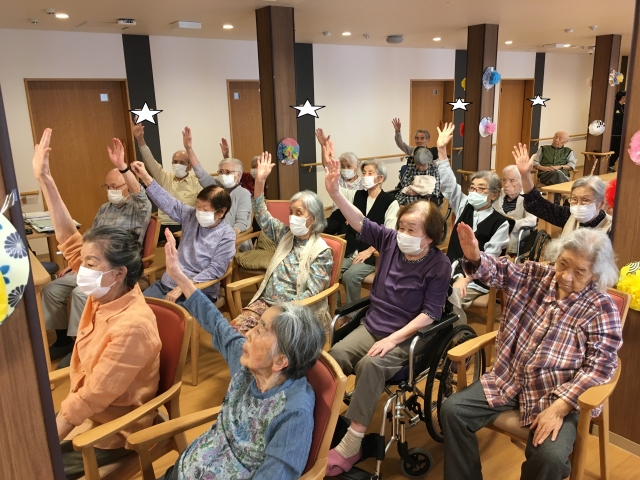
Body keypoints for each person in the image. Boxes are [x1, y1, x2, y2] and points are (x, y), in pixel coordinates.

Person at [440, 224, 622, 480]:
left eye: (580, 271)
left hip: (557, 395)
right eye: (562, 264)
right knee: (453, 411)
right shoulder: (536, 275)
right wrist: (475, 258)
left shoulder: (602, 308)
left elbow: (601, 367)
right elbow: (500, 272)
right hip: (509, 379)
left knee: (551, 458)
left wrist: (559, 407)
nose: (566, 276)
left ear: (595, 274)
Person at [33, 128, 161, 479]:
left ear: (119, 273)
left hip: (113, 430)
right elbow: (69, 241)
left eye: (90, 264)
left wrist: (45, 445)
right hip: (86, 411)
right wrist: (45, 179)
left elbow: (90, 398)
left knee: (31, 463)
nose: (82, 268)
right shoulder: (107, 290)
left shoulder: (132, 325)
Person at [322, 139, 452, 476]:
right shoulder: (391, 240)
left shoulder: (438, 265)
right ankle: (324, 424)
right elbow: (360, 223)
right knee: (333, 358)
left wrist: (394, 339)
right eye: (402, 227)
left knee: (370, 365)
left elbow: (431, 314)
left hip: (408, 337)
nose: (403, 233)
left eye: (412, 230)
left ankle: (352, 444)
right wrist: (335, 194)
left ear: (430, 236)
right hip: (373, 324)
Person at [156, 230, 326, 480]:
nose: (248, 334)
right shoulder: (250, 367)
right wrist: (179, 276)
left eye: (261, 330)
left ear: (280, 361)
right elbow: (217, 325)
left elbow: (275, 476)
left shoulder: (292, 412)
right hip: (186, 468)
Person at [43, 137, 152, 368]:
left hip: (114, 267)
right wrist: (78, 261)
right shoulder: (104, 208)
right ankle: (63, 340)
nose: (111, 191)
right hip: (92, 262)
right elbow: (86, 240)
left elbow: (141, 196)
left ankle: (80, 345)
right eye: (108, 187)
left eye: (116, 187)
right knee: (52, 289)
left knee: (80, 294)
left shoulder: (138, 209)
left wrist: (123, 167)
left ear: (127, 186)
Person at [231, 152, 333, 334]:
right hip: (266, 302)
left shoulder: (321, 251)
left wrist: (279, 311)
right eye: (290, 212)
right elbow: (261, 214)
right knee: (233, 332)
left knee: (262, 341)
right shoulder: (285, 234)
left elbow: (312, 293)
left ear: (313, 218)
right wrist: (260, 182)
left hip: (293, 312)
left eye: (298, 212)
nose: (292, 217)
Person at [436, 123, 511, 324]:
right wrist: (442, 150)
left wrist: (466, 278)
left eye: (481, 189)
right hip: (451, 269)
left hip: (477, 278)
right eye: (472, 188)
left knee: (450, 298)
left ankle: (456, 336)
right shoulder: (464, 205)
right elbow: (448, 184)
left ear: (494, 194)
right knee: (424, 288)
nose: (474, 192)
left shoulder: (501, 223)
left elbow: (489, 258)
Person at [131, 161, 236, 304]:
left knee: (166, 315)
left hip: (198, 289)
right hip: (168, 282)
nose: (199, 211)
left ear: (221, 212)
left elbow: (216, 269)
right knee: (137, 306)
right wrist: (145, 177)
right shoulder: (191, 215)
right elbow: (169, 202)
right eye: (198, 206)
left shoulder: (227, 234)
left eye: (205, 209)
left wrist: (184, 286)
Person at [324, 158, 399, 304]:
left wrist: (370, 250)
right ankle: (335, 304)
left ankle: (352, 313)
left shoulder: (390, 202)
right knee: (328, 269)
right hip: (351, 251)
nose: (365, 176)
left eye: (370, 173)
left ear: (380, 178)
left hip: (372, 257)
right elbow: (336, 190)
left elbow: (388, 235)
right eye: (364, 173)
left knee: (350, 276)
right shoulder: (357, 195)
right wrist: (328, 165)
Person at [515, 143, 613, 236]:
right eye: (574, 199)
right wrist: (525, 174)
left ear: (601, 203)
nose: (578, 205)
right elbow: (535, 204)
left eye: (585, 200)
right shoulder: (568, 216)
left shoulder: (611, 228)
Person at [132, 121, 202, 238]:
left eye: (182, 163)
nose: (177, 165)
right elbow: (150, 161)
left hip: (184, 225)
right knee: (138, 238)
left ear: (190, 167)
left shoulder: (197, 183)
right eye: (175, 162)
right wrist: (140, 139)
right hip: (162, 225)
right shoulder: (164, 177)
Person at [182, 127, 252, 243]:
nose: (223, 175)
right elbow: (200, 172)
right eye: (221, 172)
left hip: (234, 241)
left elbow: (242, 223)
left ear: (238, 175)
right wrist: (189, 148)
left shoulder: (244, 194)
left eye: (228, 172)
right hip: (211, 238)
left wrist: (227, 235)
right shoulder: (217, 187)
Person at [392, 117, 442, 206]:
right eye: (417, 138)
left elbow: (435, 183)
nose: (419, 141)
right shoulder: (412, 151)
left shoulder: (433, 156)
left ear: (428, 140)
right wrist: (397, 131)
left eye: (422, 138)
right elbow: (401, 144)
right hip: (412, 187)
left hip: (427, 190)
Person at [494, 165, 537, 255]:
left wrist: (511, 224)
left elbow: (532, 220)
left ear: (521, 183)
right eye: (504, 180)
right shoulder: (498, 194)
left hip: (515, 241)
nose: (506, 185)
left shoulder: (527, 198)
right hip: (495, 237)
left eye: (512, 180)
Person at [610, 91, 626, 171]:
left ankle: (611, 164)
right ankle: (607, 165)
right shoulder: (614, 106)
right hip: (613, 133)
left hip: (621, 133)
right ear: (623, 97)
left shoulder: (624, 107)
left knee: (618, 150)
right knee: (611, 148)